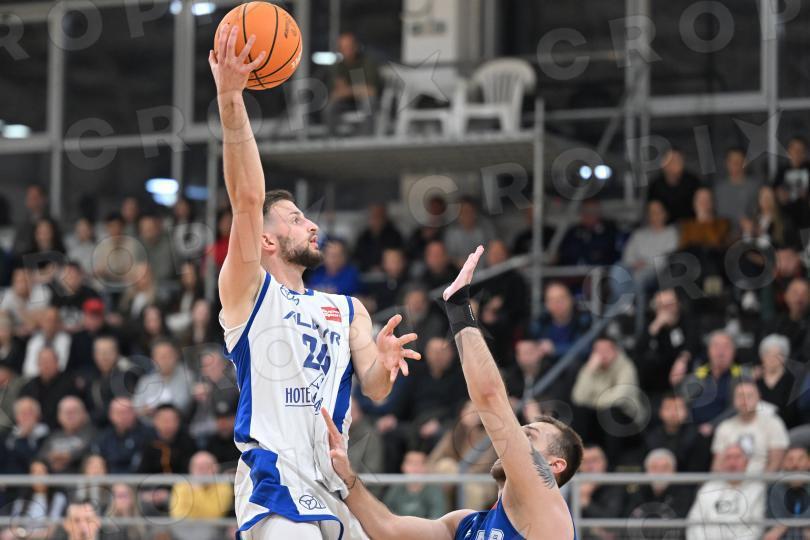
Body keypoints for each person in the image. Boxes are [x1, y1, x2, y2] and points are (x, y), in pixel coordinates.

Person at [209, 25, 419, 539]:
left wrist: (385, 364)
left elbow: (374, 388)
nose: (312, 225)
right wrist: (231, 99)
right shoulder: (249, 293)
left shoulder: (348, 309)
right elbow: (246, 198)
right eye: (296, 218)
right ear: (266, 239)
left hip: (335, 477)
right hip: (274, 477)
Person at [321, 245, 584, 539]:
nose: (514, 438)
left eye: (529, 437)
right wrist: (346, 476)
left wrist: (459, 308)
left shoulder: (547, 509)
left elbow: (490, 397)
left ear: (554, 465)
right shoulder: (465, 524)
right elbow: (388, 529)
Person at [685, 444, 765, 540]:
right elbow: (694, 523)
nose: (732, 463)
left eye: (737, 457)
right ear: (722, 464)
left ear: (746, 463)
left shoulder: (757, 490)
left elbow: (756, 528)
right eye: (728, 458)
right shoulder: (708, 488)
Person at [711, 380, 789, 473]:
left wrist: (764, 481)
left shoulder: (773, 423)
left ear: (759, 398)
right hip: (728, 478)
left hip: (762, 479)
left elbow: (776, 463)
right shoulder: (724, 427)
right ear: (733, 400)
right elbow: (717, 465)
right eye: (740, 396)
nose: (744, 400)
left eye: (749, 396)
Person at [624, 448, 694, 540]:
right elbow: (629, 520)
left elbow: (678, 527)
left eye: (665, 468)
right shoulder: (637, 492)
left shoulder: (684, 494)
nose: (659, 473)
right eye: (654, 468)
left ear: (674, 471)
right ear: (646, 471)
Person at [325, 32, 381, 135]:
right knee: (329, 106)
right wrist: (358, 89)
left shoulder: (367, 62)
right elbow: (337, 92)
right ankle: (332, 138)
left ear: (356, 47)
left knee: (368, 103)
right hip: (346, 102)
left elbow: (371, 91)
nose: (346, 51)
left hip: (364, 100)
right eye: (342, 48)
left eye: (349, 47)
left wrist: (348, 90)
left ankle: (366, 139)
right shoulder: (339, 66)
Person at [170, 451, 233, 540]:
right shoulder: (181, 484)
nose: (203, 471)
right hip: (184, 530)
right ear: (191, 468)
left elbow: (214, 515)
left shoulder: (223, 485)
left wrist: (197, 490)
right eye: (199, 467)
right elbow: (178, 515)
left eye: (207, 467)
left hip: (213, 531)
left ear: (216, 468)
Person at [383, 450, 447, 519]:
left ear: (426, 467)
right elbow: (387, 512)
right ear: (403, 466)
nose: (415, 468)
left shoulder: (434, 489)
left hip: (426, 525)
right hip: (399, 525)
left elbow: (437, 516)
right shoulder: (396, 488)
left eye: (419, 464)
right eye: (411, 463)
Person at [764, 446, 810, 540]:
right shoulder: (774, 489)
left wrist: (785, 524)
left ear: (809, 462)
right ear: (783, 464)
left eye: (801, 459)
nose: (795, 465)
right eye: (790, 459)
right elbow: (771, 534)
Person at [647, 147, 702, 224]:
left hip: (691, 225)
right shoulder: (655, 185)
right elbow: (652, 211)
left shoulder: (693, 181)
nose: (675, 164)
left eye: (678, 160)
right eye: (671, 161)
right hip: (664, 228)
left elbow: (703, 207)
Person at [714, 147, 761, 230]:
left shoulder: (755, 187)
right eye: (731, 161)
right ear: (726, 163)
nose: (734, 165)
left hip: (747, 234)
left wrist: (754, 225)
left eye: (738, 161)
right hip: (722, 234)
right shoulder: (718, 188)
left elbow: (765, 212)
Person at [354, 204, 404, 272]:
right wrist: (368, 267)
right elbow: (357, 258)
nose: (376, 220)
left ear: (384, 217)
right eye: (373, 216)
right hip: (365, 273)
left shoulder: (394, 235)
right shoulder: (363, 236)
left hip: (389, 273)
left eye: (379, 216)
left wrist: (382, 267)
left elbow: (398, 258)